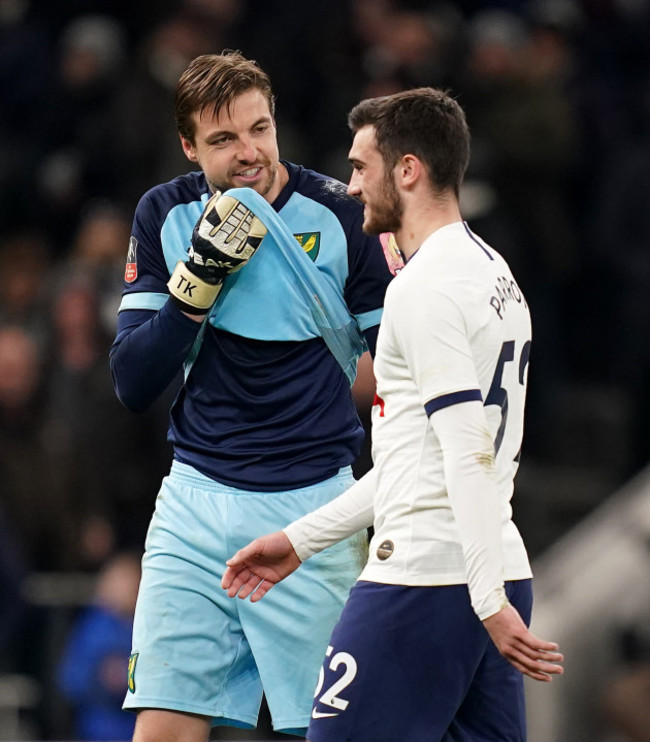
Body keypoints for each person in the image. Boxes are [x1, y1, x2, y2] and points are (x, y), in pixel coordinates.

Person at [222, 87, 564, 742]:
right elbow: (422, 464)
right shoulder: (495, 274)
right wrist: (300, 541)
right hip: (494, 562)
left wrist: (486, 603)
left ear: (407, 169)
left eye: (360, 166)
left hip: (427, 581)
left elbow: (466, 451)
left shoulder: (421, 287)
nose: (351, 187)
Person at [108, 51, 397, 741]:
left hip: (312, 512)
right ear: (187, 146)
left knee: (328, 733)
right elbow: (131, 382)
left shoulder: (341, 214)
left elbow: (404, 370)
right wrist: (195, 285)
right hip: (194, 505)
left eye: (259, 130)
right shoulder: (164, 214)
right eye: (223, 139)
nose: (249, 154)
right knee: (161, 730)